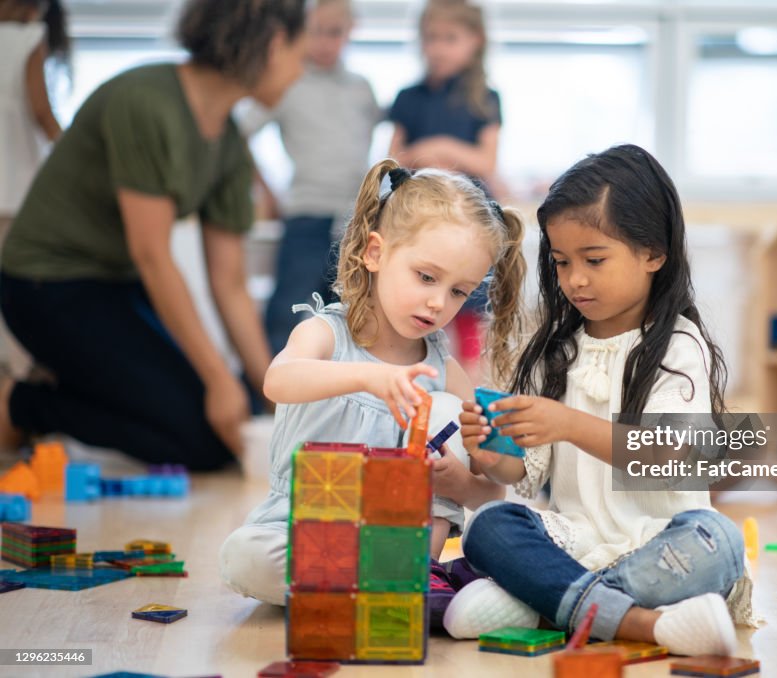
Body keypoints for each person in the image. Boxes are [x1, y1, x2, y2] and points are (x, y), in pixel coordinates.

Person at [448, 145, 759, 655]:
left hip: (661, 547)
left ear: (653, 253)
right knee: (488, 525)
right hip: (575, 542)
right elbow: (525, 473)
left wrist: (567, 423)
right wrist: (491, 456)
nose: (575, 279)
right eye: (562, 262)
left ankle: (548, 602)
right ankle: (641, 623)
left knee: (717, 540)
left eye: (594, 260)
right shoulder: (555, 351)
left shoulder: (679, 346)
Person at [0, 0, 309, 468]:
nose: (300, 74)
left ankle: (69, 381)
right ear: (273, 43)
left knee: (228, 421)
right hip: (46, 285)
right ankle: (22, 404)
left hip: (116, 286)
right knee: (200, 441)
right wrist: (218, 381)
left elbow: (230, 285)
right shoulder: (146, 101)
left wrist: (274, 397)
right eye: (301, 57)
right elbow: (152, 255)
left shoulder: (227, 142)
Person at [219, 159, 527, 626]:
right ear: (375, 253)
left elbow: (494, 492)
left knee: (447, 406)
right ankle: (393, 590)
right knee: (243, 556)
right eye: (426, 277)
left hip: (398, 541)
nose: (437, 303)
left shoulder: (441, 368)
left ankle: (393, 582)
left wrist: (458, 482)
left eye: (459, 291)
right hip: (304, 529)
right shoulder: (326, 333)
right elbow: (276, 381)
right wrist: (367, 378)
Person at [239, 0, 382, 355]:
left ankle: (339, 390)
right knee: (288, 305)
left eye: (334, 32)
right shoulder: (287, 82)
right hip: (306, 212)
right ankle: (267, 392)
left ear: (350, 32)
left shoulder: (361, 87)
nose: (323, 42)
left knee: (347, 308)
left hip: (354, 218)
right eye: (314, 32)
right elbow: (237, 132)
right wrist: (267, 191)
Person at [388, 0, 504, 373]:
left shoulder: (486, 99)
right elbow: (391, 160)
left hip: (468, 216)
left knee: (466, 299)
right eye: (430, 38)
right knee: (423, 291)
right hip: (422, 216)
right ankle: (416, 375)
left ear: (475, 41)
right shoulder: (409, 97)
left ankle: (467, 385)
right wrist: (420, 154)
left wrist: (442, 149)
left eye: (449, 38)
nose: (437, 47)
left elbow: (486, 162)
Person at [0, 0, 69, 375]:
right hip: (13, 183)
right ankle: (19, 376)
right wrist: (75, 152)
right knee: (15, 286)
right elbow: (41, 110)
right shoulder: (28, 38)